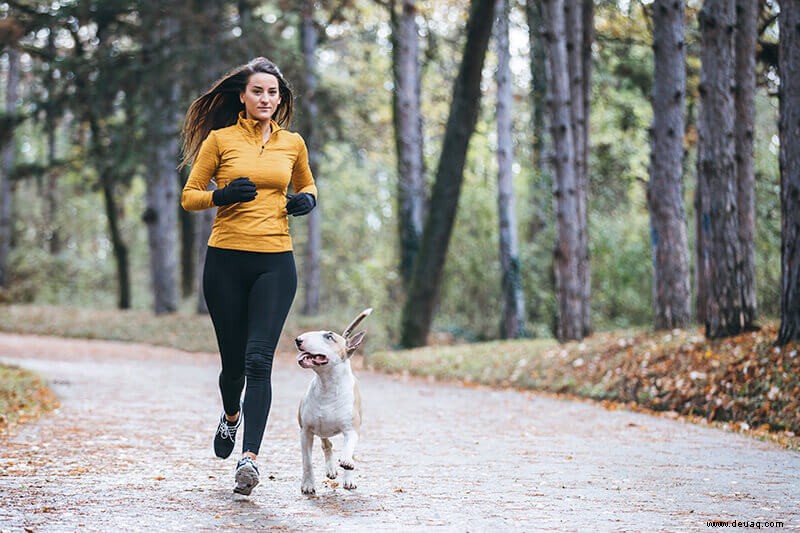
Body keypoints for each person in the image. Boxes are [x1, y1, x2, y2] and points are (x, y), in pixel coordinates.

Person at [179, 57, 317, 496]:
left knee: (260, 359)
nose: (266, 99)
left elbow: (308, 185)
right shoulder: (219, 140)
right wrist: (220, 195)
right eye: (258, 91)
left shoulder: (293, 143)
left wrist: (306, 202)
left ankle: (250, 458)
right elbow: (189, 197)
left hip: (275, 262)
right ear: (242, 95)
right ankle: (230, 417)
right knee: (234, 366)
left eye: (273, 93)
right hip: (226, 262)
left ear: (280, 99)